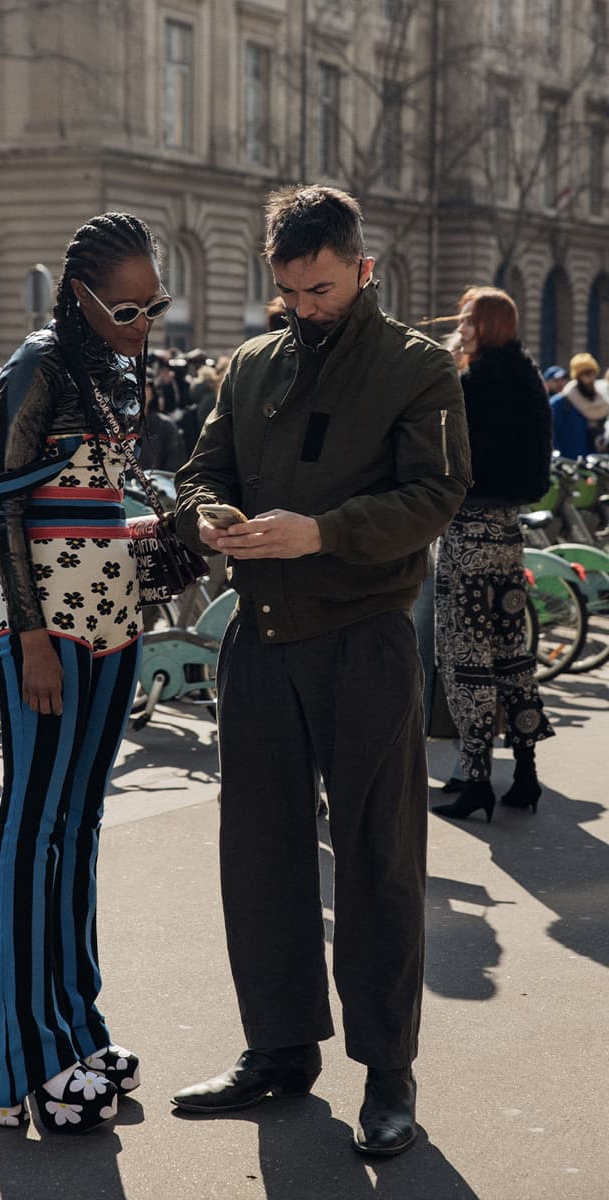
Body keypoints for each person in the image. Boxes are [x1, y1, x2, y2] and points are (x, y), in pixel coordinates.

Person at [171, 185, 471, 1157]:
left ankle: (389, 1075)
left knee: (379, 863)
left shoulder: (416, 368)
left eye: (323, 288)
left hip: (363, 642)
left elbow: (435, 494)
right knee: (257, 853)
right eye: (290, 291)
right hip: (258, 639)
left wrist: (320, 534)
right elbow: (201, 470)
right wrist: (209, 516)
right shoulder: (250, 364)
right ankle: (278, 1047)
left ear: (362, 268)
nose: (304, 306)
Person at [0, 212, 171, 1134]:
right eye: (125, 307)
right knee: (33, 824)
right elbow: (5, 511)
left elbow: (94, 498)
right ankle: (25, 1062)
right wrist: (33, 638)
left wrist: (154, 535)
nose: (140, 323)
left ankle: (76, 1027)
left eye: (152, 306)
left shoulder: (111, 364)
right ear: (81, 294)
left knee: (82, 823)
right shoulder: (39, 363)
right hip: (46, 627)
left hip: (113, 616)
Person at [432, 287, 555, 823]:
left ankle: (477, 777)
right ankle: (525, 773)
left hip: (465, 533)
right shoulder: (527, 377)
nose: (460, 325)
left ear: (483, 326)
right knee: (511, 653)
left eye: (467, 319)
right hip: (507, 534)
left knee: (464, 658)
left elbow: (446, 457)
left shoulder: (471, 384)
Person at [550, 353, 609, 458]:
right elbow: (550, 434)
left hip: (594, 465)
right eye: (586, 374)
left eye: (593, 373)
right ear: (577, 377)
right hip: (569, 466)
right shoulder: (562, 403)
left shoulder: (602, 402)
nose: (590, 379)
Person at [137, 372, 186, 471]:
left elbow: (174, 467)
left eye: (141, 387)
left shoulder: (165, 426)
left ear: (150, 393)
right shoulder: (113, 426)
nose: (135, 392)